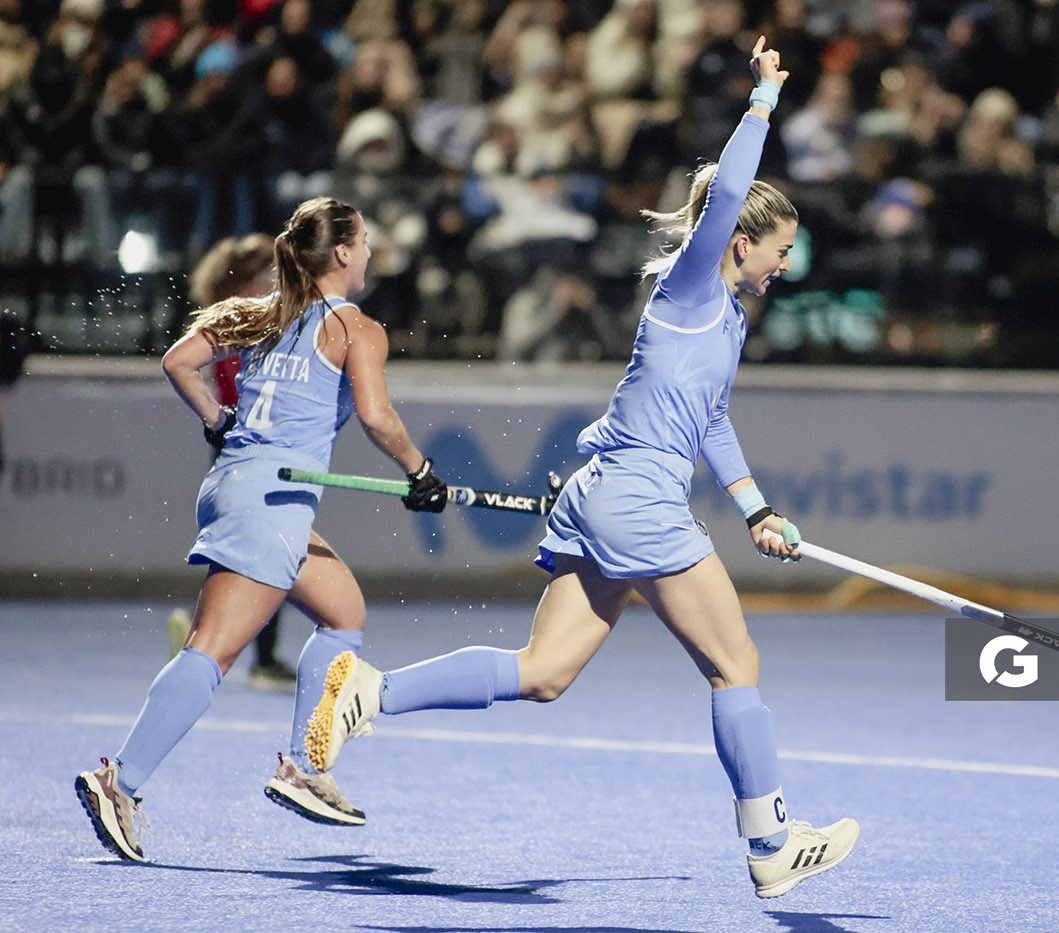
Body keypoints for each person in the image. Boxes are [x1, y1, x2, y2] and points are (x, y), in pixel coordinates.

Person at [305, 40, 859, 900]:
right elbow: (727, 191)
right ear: (740, 241)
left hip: (605, 495)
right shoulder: (691, 287)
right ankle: (772, 842)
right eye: (779, 249)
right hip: (637, 501)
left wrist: (755, 510)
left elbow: (711, 419)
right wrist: (763, 102)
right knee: (735, 663)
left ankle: (370, 693)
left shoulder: (729, 319)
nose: (786, 264)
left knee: (544, 672)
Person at [75, 197, 449, 862]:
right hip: (270, 503)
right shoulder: (357, 328)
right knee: (211, 650)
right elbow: (377, 418)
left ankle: (307, 764)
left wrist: (216, 419)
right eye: (364, 241)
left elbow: (177, 362)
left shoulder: (261, 312)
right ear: (342, 253)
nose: (369, 252)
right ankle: (119, 781)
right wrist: (421, 471)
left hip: (241, 487)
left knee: (343, 612)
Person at [165, 233, 298, 691]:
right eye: (269, 276)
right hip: (249, 451)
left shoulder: (241, 319)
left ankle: (199, 635)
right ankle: (263, 660)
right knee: (272, 556)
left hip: (238, 451)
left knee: (244, 559)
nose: (277, 283)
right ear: (246, 280)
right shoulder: (245, 322)